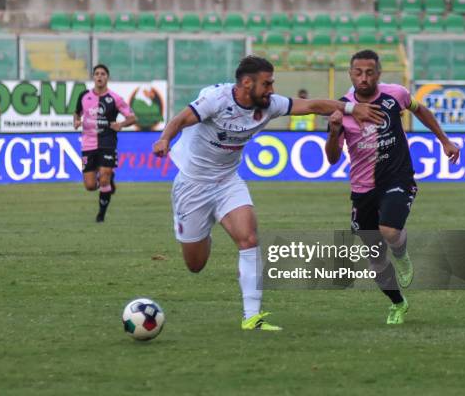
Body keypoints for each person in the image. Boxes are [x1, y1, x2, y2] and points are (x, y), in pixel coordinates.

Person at [153, 55, 384, 331]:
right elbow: (180, 119)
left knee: (249, 239)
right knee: (195, 264)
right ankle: (203, 230)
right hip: (193, 184)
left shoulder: (269, 105)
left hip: (228, 181)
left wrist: (350, 109)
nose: (272, 89)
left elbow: (312, 105)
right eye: (267, 83)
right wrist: (165, 139)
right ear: (247, 83)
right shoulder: (217, 99)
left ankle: (252, 317)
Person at [325, 49, 460, 324]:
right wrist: (335, 130)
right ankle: (398, 303)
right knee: (375, 258)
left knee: (389, 229)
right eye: (358, 73)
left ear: (379, 73)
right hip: (362, 189)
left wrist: (444, 140)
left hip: (397, 177)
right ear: (350, 74)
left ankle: (401, 253)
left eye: (369, 72)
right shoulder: (341, 108)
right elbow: (332, 158)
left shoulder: (395, 94)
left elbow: (420, 110)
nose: (364, 78)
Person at [74, 64, 136, 222]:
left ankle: (100, 215)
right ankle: (109, 179)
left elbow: (132, 117)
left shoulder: (115, 98)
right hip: (88, 143)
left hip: (107, 142)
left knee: (103, 179)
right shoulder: (84, 96)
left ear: (107, 77)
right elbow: (76, 113)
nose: (99, 76)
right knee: (89, 185)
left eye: (102, 74)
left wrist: (120, 125)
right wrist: (76, 121)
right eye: (96, 74)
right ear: (93, 77)